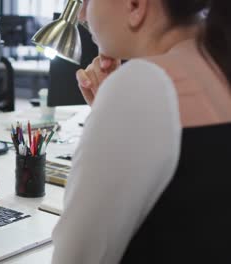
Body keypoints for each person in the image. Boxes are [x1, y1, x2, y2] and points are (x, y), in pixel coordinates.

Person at [52, 0, 231, 263]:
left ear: (135, 6)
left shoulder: (143, 84)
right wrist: (109, 113)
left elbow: (75, 256)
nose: (81, 14)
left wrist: (115, 105)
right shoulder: (218, 67)